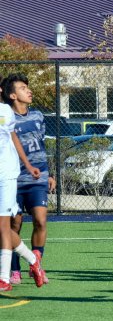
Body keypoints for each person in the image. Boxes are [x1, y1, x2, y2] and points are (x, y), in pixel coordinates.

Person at [2, 73, 54, 285]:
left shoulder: (36, 117)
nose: (29, 91)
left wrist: (46, 171)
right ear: (12, 95)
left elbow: (40, 146)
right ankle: (16, 269)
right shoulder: (7, 114)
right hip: (15, 178)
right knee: (13, 224)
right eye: (24, 88)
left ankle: (34, 263)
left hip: (31, 176)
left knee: (40, 220)